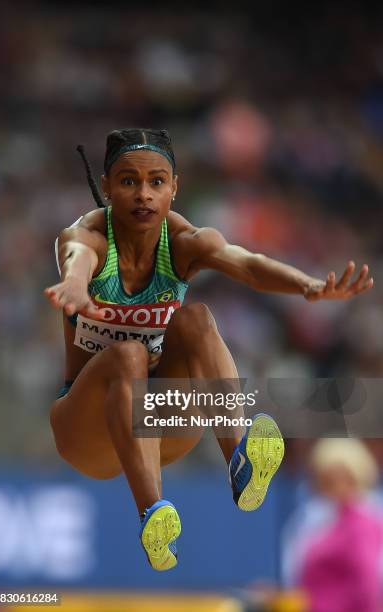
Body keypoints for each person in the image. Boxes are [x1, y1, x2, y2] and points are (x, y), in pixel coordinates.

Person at [45, 128, 373, 572]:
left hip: (160, 423)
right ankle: (153, 516)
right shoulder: (86, 237)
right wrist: (75, 285)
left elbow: (249, 266)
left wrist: (308, 285)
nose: (144, 194)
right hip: (88, 430)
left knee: (196, 319)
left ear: (174, 188)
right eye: (128, 181)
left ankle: (240, 462)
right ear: (106, 187)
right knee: (128, 355)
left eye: (157, 182)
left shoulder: (184, 242)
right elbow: (77, 258)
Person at [281, 438, 383, 612]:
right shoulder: (316, 516)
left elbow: (368, 583)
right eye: (326, 479)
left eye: (341, 478)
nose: (335, 487)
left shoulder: (362, 523)